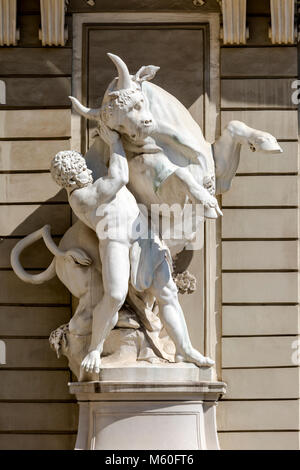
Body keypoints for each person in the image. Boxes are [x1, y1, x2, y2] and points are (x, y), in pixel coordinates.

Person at [51, 124, 214, 373]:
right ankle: (95, 348)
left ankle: (184, 350)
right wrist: (114, 142)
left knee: (167, 292)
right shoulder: (79, 197)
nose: (85, 173)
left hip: (143, 235)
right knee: (115, 296)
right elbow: (120, 178)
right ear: (70, 181)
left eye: (83, 169)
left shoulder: (92, 184)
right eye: (79, 172)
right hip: (115, 242)